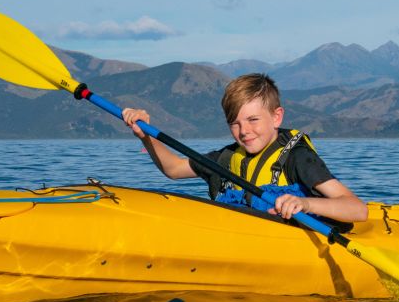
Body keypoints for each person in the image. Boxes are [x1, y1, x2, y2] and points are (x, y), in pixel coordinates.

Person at [122, 73, 368, 224]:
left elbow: (356, 209)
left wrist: (306, 204)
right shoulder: (226, 158)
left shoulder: (297, 158)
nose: (244, 131)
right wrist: (146, 135)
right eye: (235, 123)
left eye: (253, 120)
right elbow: (174, 169)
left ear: (276, 117)